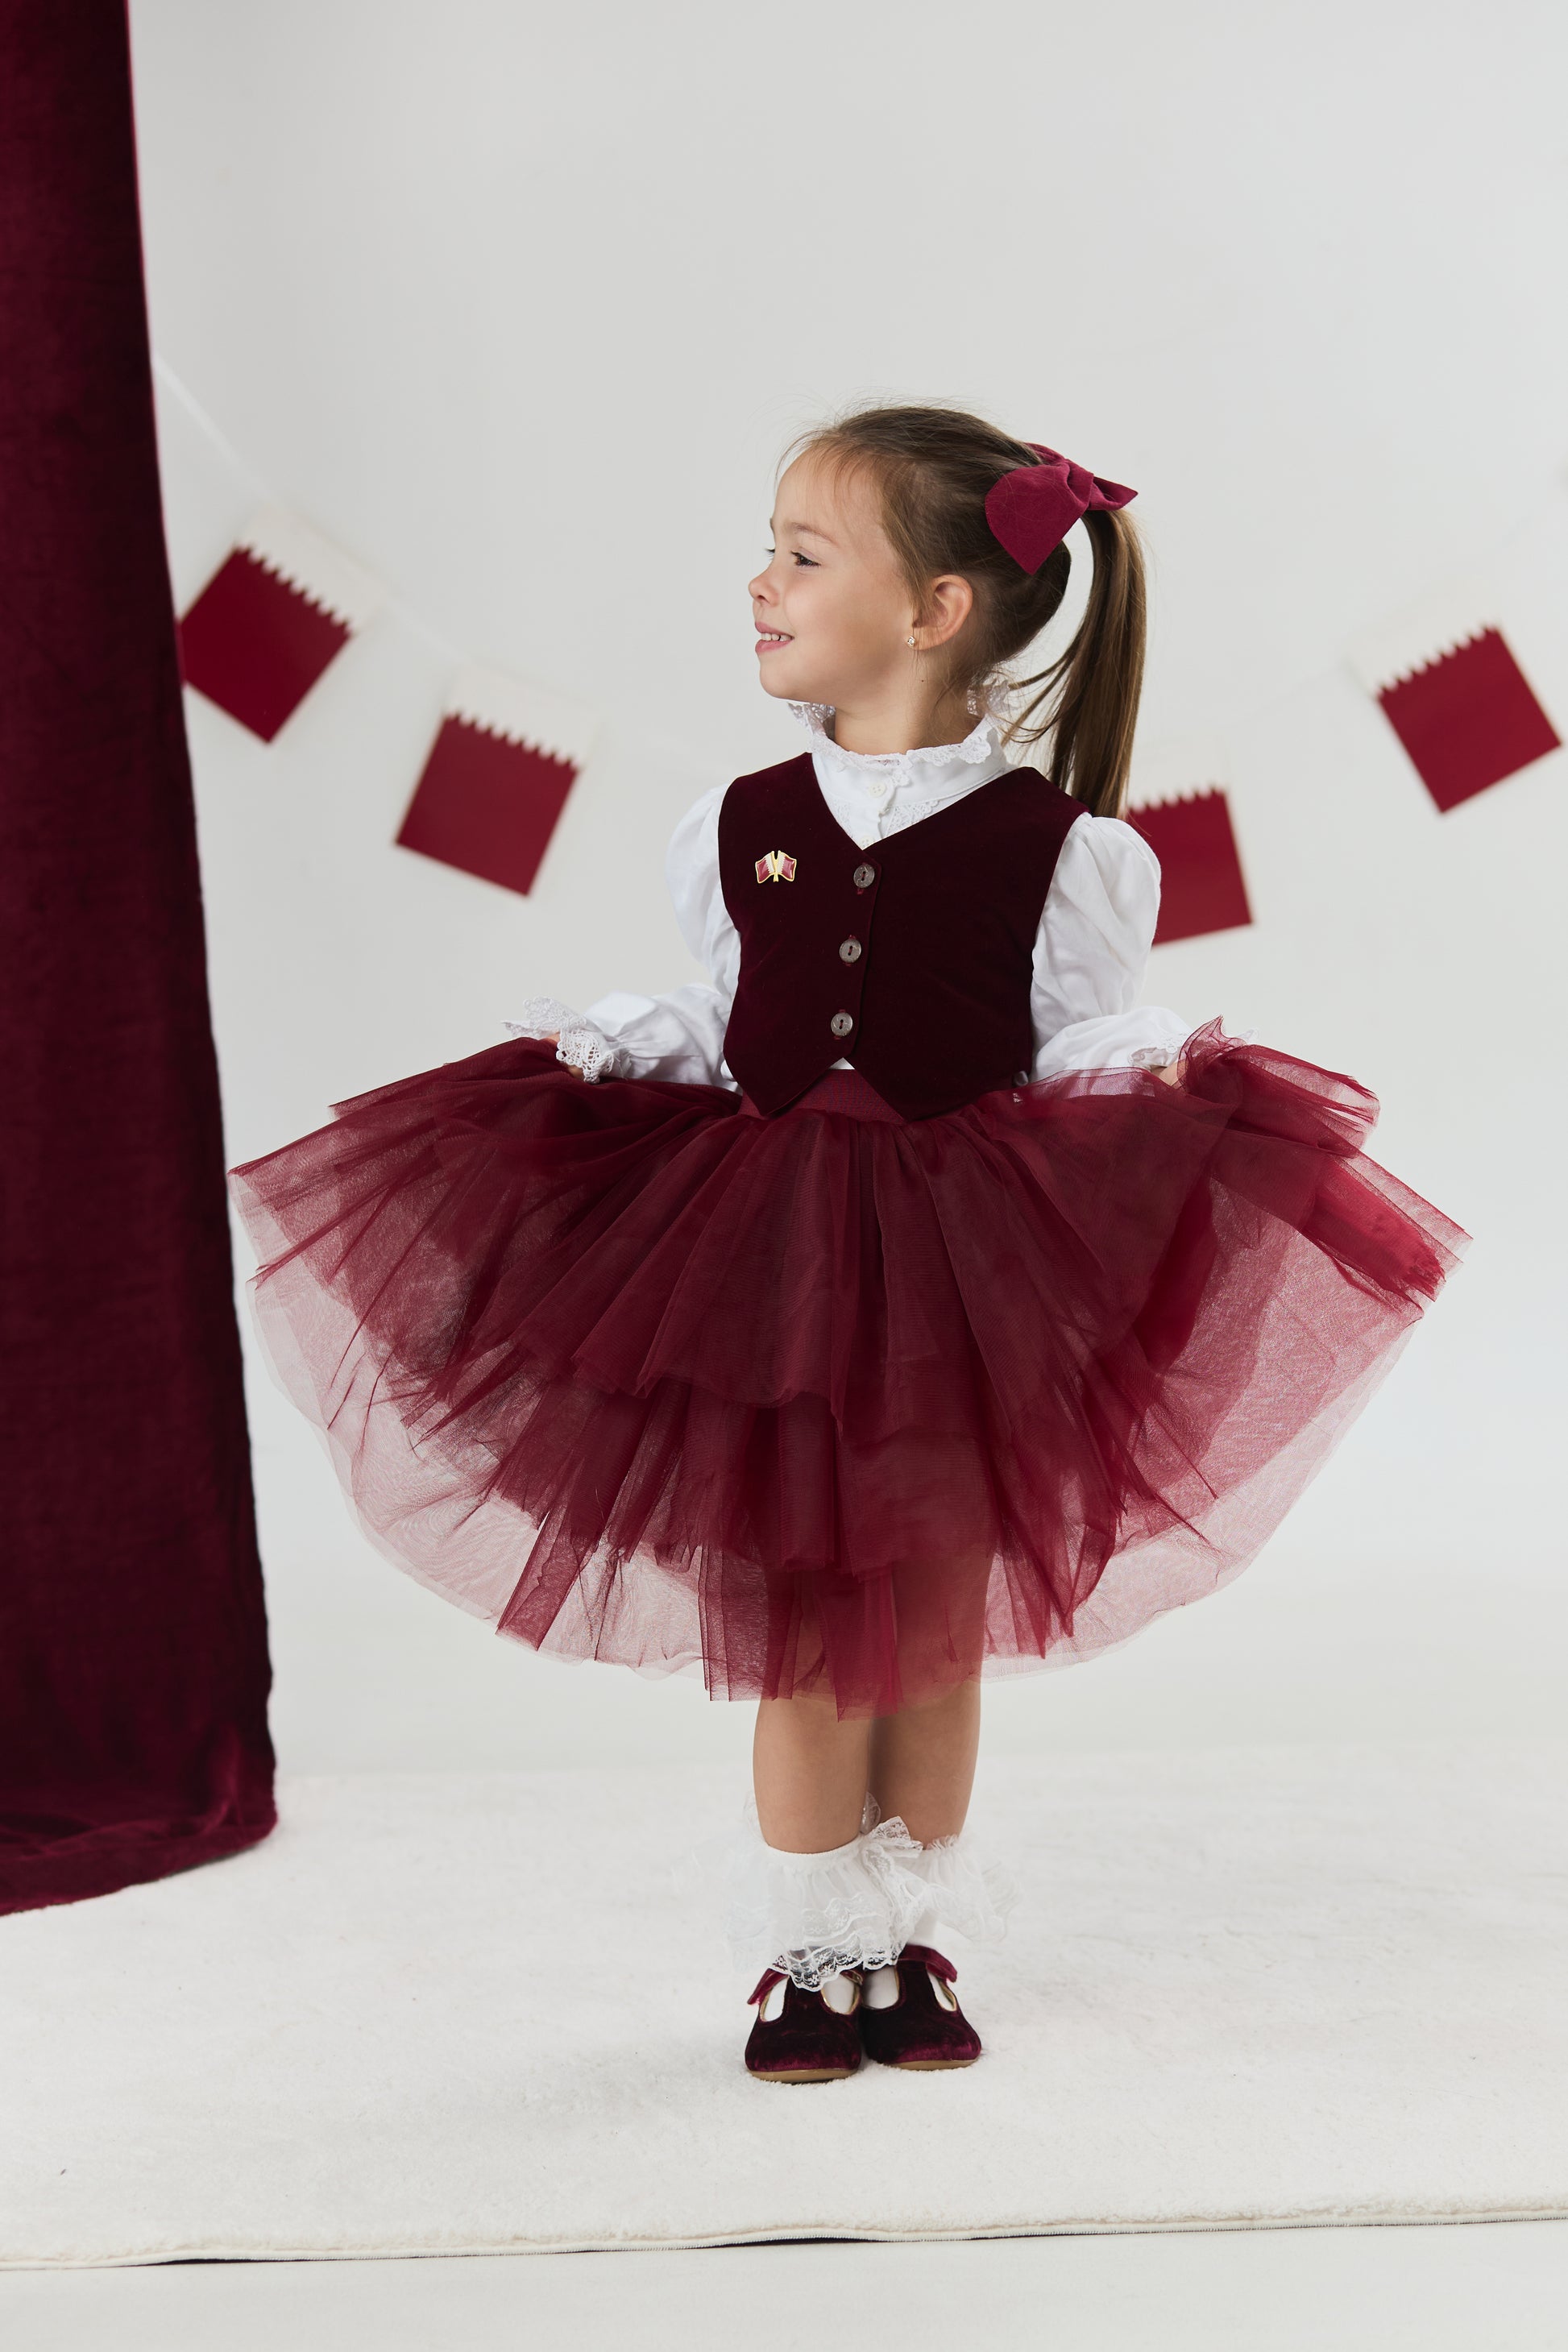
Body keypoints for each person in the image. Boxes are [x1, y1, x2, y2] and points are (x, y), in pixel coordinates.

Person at [226, 404, 1466, 2087]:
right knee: (809, 1637)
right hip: (775, 1281)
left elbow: (1067, 1046)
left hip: (966, 1283)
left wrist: (1165, 1073)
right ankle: (814, 1956)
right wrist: (602, 1046)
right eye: (771, 552)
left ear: (935, 610)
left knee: (934, 1639)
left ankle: (909, 1934)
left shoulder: (1068, 853)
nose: (760, 583)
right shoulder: (736, 819)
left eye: (802, 556)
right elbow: (732, 1015)